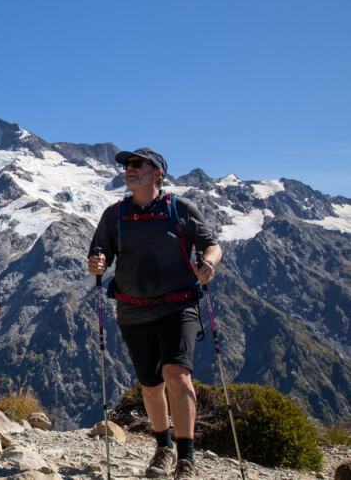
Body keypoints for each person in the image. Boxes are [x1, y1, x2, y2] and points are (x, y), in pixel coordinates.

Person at [88, 148, 222, 480]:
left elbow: (212, 245)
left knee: (178, 375)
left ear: (157, 173)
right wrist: (97, 263)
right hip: (133, 311)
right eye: (126, 166)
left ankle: (186, 457)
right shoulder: (114, 215)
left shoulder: (179, 208)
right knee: (150, 385)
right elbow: (98, 252)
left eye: (136, 165)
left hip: (179, 305)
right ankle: (162, 447)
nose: (128, 170)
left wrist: (208, 263)